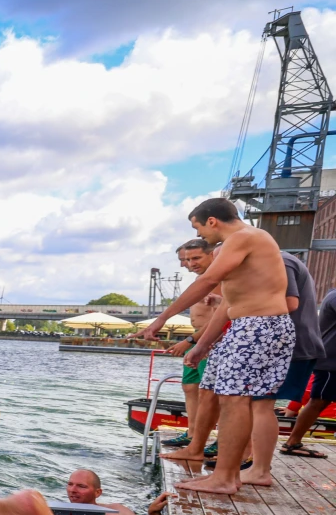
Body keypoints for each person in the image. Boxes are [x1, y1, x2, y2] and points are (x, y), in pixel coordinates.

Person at [138, 198, 293, 494]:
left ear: (212, 221)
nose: (199, 235)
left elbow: (208, 281)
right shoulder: (235, 245)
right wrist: (201, 345)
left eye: (197, 227)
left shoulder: (245, 237)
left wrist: (162, 318)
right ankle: (224, 471)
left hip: (259, 325)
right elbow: (228, 304)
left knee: (236, 400)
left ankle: (225, 478)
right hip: (244, 325)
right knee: (218, 392)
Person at [235, 251, 325, 477]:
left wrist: (235, 310)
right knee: (253, 403)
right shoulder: (280, 260)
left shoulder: (278, 261)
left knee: (260, 404)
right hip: (287, 344)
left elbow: (289, 303)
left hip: (289, 345)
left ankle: (259, 469)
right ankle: (250, 461)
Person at [162, 240, 223, 449]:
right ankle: (192, 432)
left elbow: (219, 318)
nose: (186, 264)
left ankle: (219, 438)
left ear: (211, 254)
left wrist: (191, 341)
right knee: (190, 386)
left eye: (193, 258)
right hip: (197, 340)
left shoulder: (217, 279)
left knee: (213, 393)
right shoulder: (201, 280)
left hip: (210, 341)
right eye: (185, 260)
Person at [282, 285, 336, 458]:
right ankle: (292, 442)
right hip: (330, 362)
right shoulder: (334, 297)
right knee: (319, 401)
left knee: (320, 401)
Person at [66, 469, 172, 515]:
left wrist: (153, 514)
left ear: (97, 492)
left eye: (81, 486)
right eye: (70, 484)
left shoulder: (116, 512)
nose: (72, 490)